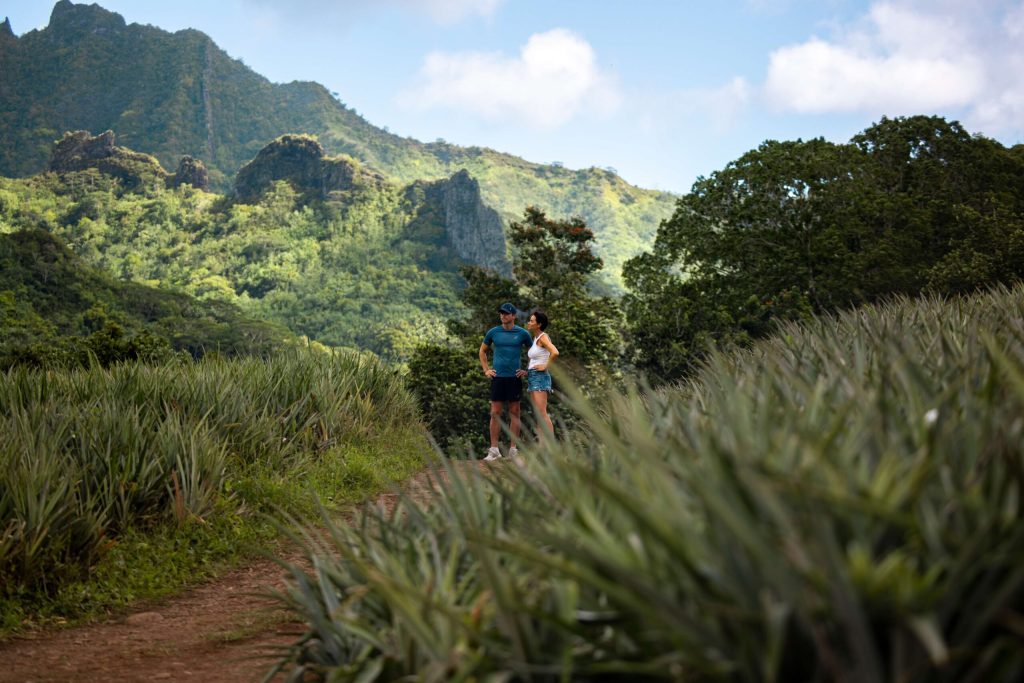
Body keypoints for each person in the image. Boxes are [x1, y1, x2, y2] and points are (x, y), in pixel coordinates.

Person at [479, 302, 532, 461]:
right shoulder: (493, 332)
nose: (503, 315)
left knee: (514, 412)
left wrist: (527, 369)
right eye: (501, 313)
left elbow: (533, 352)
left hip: (514, 378)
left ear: (513, 316)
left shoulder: (522, 333)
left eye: (506, 313)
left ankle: (513, 450)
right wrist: (486, 369)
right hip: (498, 378)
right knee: (495, 412)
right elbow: (482, 350)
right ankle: (494, 450)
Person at [525, 310, 559, 439]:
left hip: (540, 377)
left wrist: (545, 365)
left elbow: (555, 352)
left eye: (532, 321)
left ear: (539, 324)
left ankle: (551, 447)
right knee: (538, 414)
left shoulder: (543, 337)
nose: (529, 322)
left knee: (542, 413)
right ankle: (543, 446)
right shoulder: (536, 338)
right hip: (533, 376)